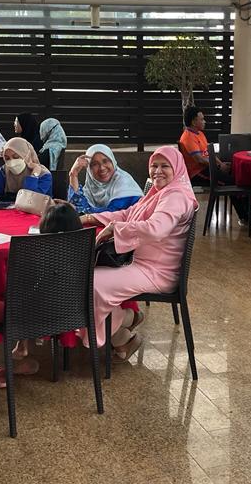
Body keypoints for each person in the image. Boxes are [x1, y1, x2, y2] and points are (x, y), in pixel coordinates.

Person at [78, 146, 197, 359]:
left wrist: (115, 229)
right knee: (85, 276)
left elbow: (156, 228)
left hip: (157, 272)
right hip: (141, 263)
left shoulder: (176, 196)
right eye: (154, 166)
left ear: (177, 168)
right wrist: (89, 218)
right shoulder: (159, 192)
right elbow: (128, 214)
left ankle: (124, 324)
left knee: (89, 283)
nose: (157, 171)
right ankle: (124, 330)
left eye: (165, 166)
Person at [0, 203, 85, 385]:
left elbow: (20, 296)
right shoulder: (83, 251)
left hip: (33, 315)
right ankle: (22, 346)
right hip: (72, 313)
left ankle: (17, 357)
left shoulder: (34, 255)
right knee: (30, 301)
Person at [179, 105, 251, 229]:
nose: (204, 121)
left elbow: (209, 154)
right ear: (194, 121)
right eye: (202, 119)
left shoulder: (200, 134)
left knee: (239, 178)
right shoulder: (188, 137)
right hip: (198, 173)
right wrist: (219, 166)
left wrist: (221, 164)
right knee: (233, 183)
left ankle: (250, 214)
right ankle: (247, 217)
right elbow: (199, 159)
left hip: (208, 169)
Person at [67, 144, 144, 213]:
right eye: (95, 164)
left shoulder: (124, 183)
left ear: (113, 162)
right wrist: (73, 174)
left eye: (105, 161)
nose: (102, 168)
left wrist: (81, 210)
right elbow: (75, 208)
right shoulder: (91, 187)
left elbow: (110, 215)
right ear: (89, 169)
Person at [0, 137, 52, 208]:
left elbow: (31, 201)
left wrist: (34, 175)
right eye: (7, 158)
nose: (12, 162)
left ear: (27, 155)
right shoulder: (4, 171)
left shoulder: (44, 175)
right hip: (10, 213)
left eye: (16, 157)